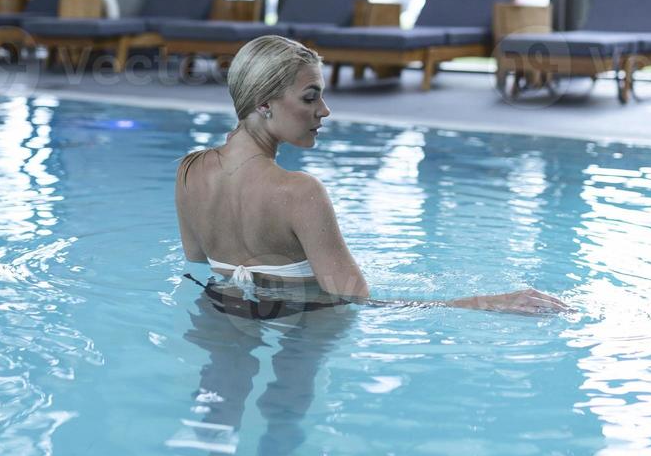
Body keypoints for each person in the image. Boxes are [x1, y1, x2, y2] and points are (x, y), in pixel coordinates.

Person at [175, 35, 571, 316]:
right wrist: (484, 302)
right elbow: (362, 305)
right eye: (310, 97)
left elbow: (198, 268)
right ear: (263, 104)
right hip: (305, 325)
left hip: (222, 317)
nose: (324, 110)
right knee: (286, 421)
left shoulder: (189, 172)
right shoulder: (299, 193)